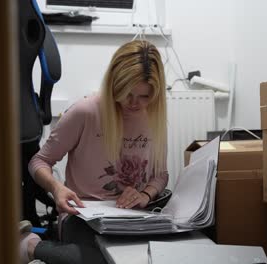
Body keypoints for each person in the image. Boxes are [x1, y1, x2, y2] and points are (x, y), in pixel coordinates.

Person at [19, 40, 168, 264]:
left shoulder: (153, 117)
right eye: (127, 93)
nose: (135, 103)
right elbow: (39, 161)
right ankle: (31, 246)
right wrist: (57, 188)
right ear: (113, 84)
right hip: (83, 214)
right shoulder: (85, 112)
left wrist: (145, 194)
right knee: (102, 260)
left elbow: (160, 175)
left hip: (133, 216)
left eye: (145, 96)